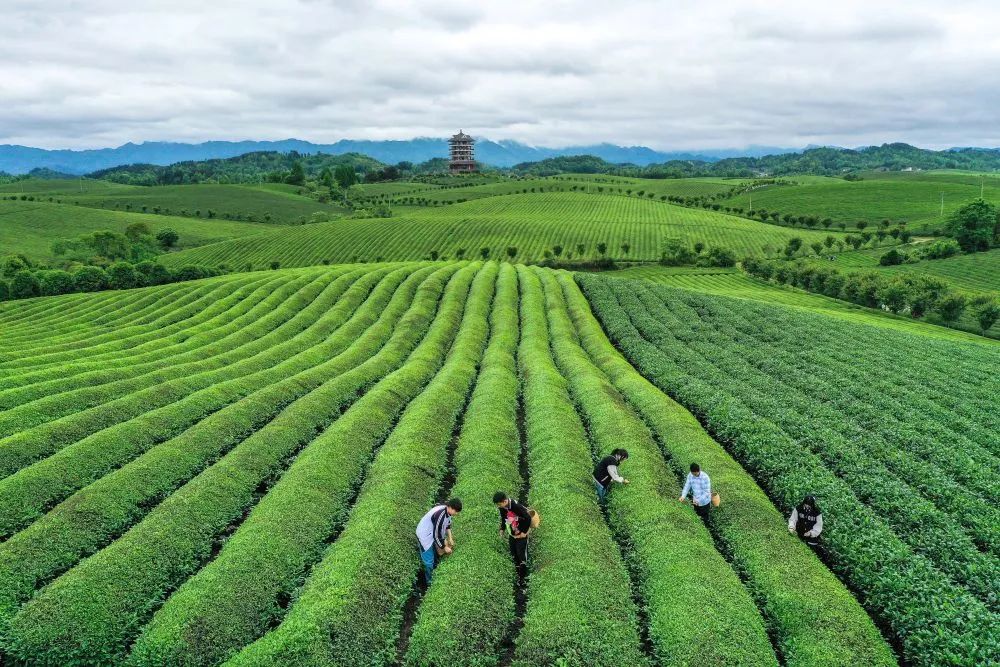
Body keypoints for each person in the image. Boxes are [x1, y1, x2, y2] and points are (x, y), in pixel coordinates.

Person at [415, 498, 462, 585]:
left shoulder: (447, 511)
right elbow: (436, 536)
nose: (456, 514)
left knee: (438, 550)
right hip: (425, 534)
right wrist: (445, 548)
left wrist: (450, 537)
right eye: (456, 511)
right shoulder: (440, 515)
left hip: (432, 532)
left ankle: (435, 563)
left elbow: (448, 524)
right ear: (451, 507)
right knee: (429, 562)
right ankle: (429, 583)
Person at [494, 491, 532, 582]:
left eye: (499, 504)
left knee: (521, 555)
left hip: (521, 535)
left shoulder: (516, 506)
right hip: (513, 533)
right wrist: (502, 529)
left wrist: (524, 532)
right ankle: (517, 575)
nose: (499, 506)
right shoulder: (502, 508)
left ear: (504, 501)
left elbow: (528, 518)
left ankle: (524, 579)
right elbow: (504, 518)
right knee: (514, 554)